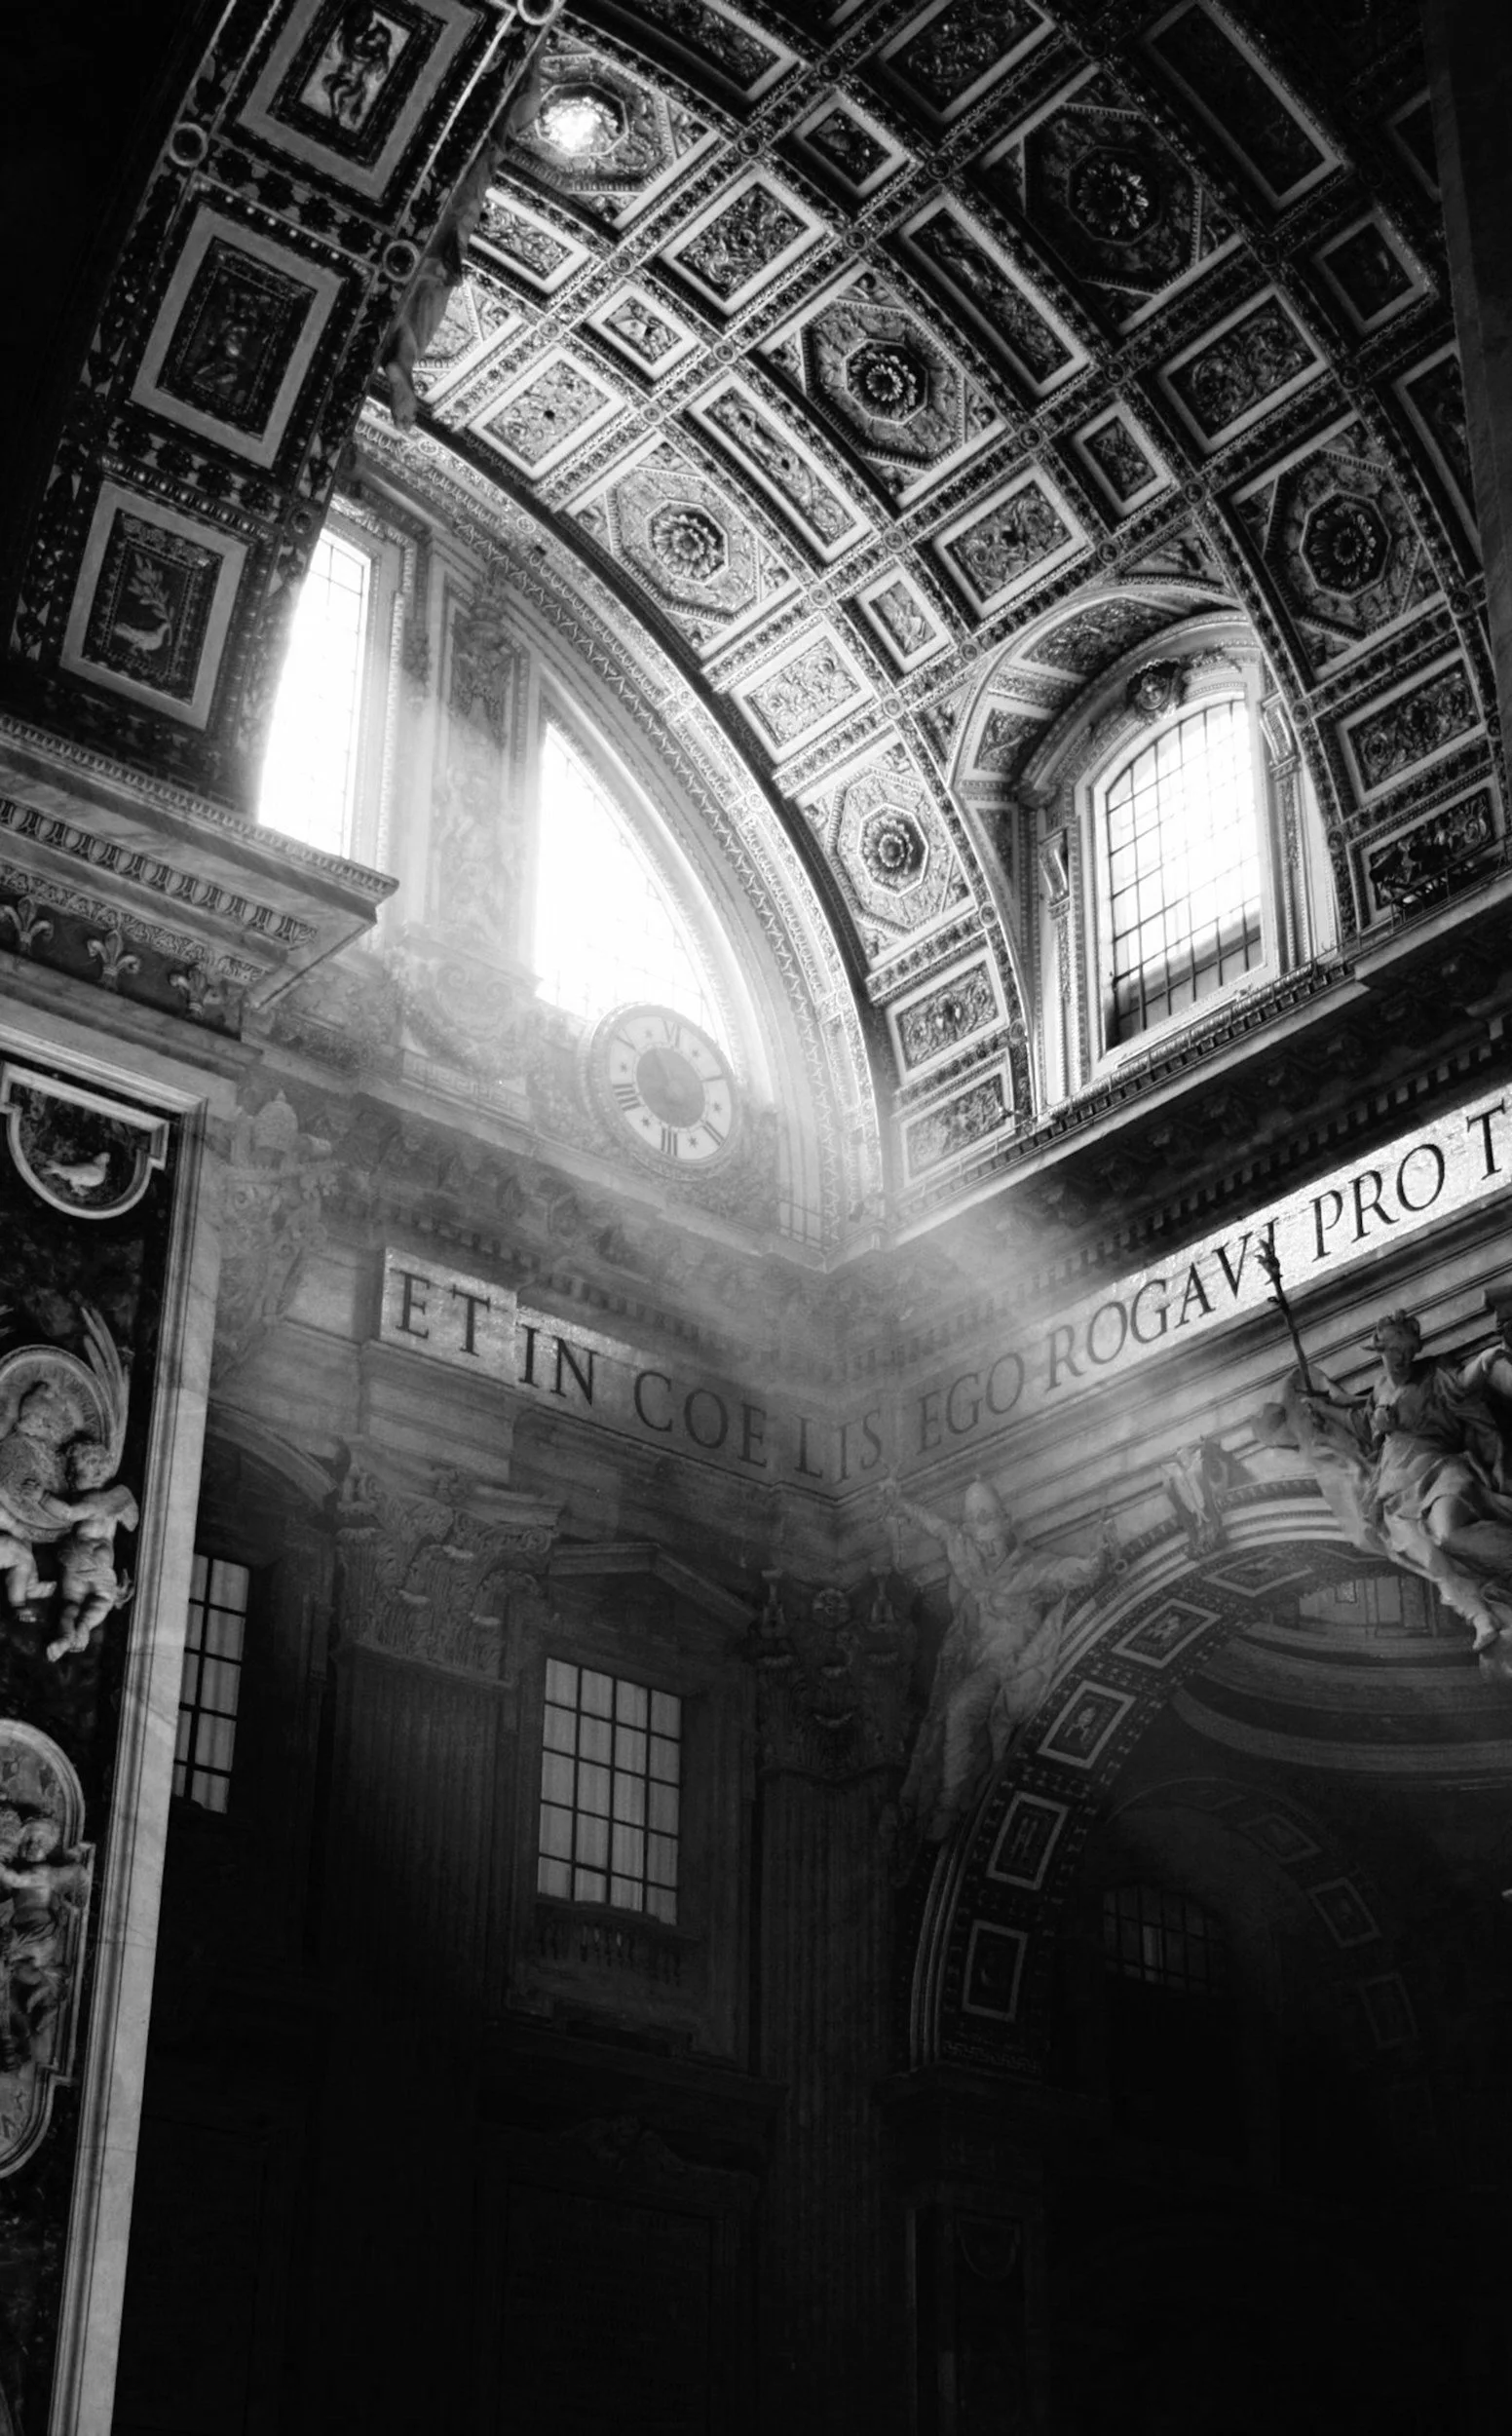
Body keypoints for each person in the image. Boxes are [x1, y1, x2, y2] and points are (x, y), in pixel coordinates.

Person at [881, 1474, 1115, 1846]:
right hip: (969, 1660)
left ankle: (949, 1804)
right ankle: (940, 1800)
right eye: (980, 1542)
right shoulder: (970, 1557)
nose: (987, 1549)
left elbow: (1070, 1571)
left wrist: (1096, 1557)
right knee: (939, 1722)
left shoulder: (1032, 1569)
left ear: (1008, 1529)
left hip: (1007, 1667)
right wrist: (901, 1505)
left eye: (992, 1541)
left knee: (959, 1710)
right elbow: (940, 1528)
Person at [1264, 1310, 1512, 1653]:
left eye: (1407, 1352)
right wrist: (1320, 1409)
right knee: (1431, 1559)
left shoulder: (1433, 1375)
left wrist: (1487, 1361)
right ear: (1380, 1351)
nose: (1401, 1359)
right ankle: (1479, 1615)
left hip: (1438, 1470)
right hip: (1393, 1490)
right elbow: (1361, 1423)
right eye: (1394, 1352)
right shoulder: (1380, 1389)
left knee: (1447, 1533)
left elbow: (1465, 1383)